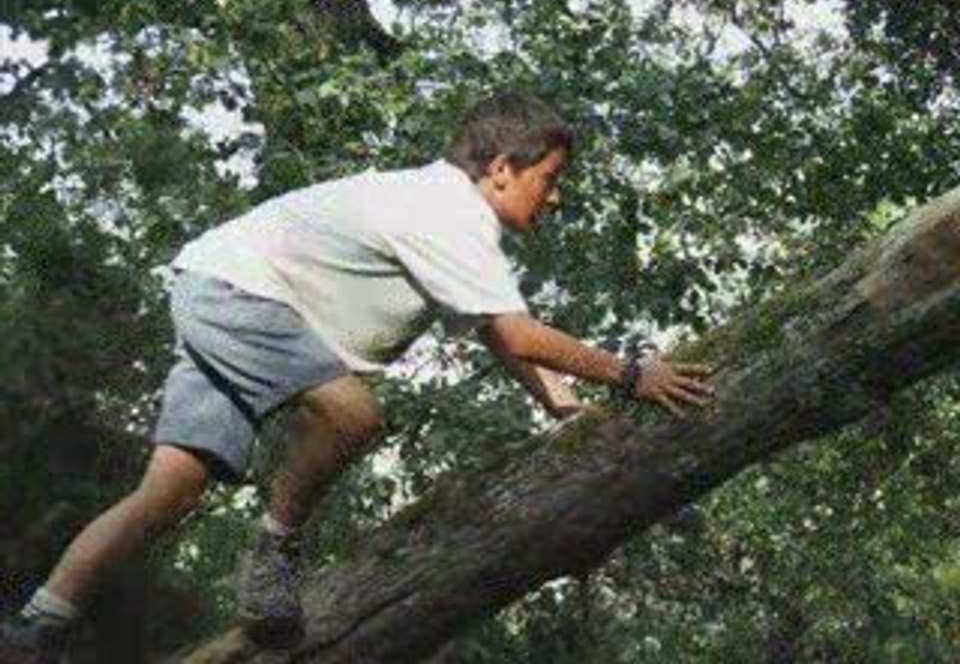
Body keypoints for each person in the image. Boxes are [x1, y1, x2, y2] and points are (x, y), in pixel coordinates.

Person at [0, 91, 713, 661]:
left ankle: (38, 625)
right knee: (355, 415)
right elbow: (518, 332)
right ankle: (274, 556)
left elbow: (498, 333)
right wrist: (631, 375)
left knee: (168, 492)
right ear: (501, 168)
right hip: (239, 295)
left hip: (216, 289)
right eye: (549, 179)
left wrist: (562, 403)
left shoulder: (441, 210)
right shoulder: (451, 212)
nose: (553, 198)